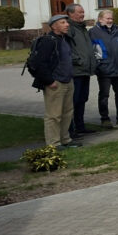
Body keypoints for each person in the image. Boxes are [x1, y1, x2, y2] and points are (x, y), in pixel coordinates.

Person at [32, 14, 79, 149]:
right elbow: (40, 63)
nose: (67, 24)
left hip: (68, 81)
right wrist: (49, 81)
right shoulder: (48, 41)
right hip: (55, 83)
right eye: (63, 22)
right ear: (54, 26)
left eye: (67, 22)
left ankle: (65, 139)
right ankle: (53, 143)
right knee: (54, 115)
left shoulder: (64, 39)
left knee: (67, 112)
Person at [90, 9, 118, 129]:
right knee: (104, 95)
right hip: (104, 69)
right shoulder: (93, 32)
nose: (110, 20)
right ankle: (105, 118)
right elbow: (92, 51)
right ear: (100, 19)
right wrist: (98, 66)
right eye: (107, 18)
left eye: (111, 18)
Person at [65, 3, 97, 140]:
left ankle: (80, 126)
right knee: (74, 100)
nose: (82, 15)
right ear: (71, 14)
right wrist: (79, 60)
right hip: (76, 70)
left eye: (83, 12)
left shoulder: (82, 28)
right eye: (79, 12)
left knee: (82, 99)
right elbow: (67, 50)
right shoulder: (69, 28)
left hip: (85, 70)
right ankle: (70, 129)